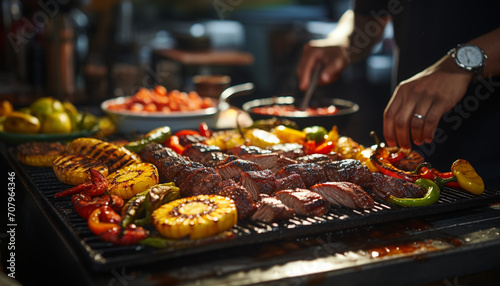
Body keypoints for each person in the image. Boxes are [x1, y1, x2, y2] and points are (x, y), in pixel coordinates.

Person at [297, 0, 500, 188]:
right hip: (411, 153)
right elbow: (369, 15)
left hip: (490, 151)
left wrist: (461, 64)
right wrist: (342, 41)